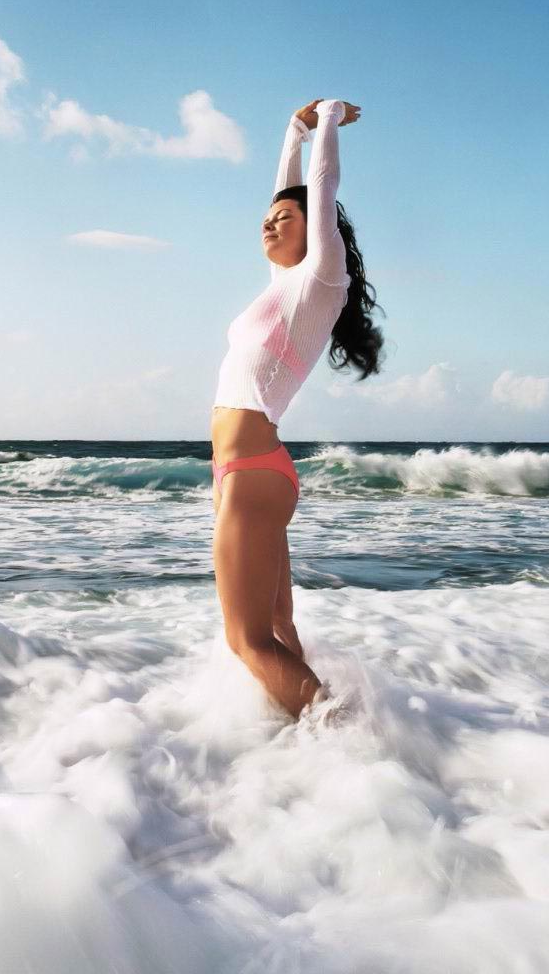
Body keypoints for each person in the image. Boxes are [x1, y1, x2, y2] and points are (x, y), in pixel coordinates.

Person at [210, 97, 384, 720]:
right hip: (243, 472)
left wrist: (329, 120)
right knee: (278, 627)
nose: (269, 222)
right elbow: (290, 186)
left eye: (284, 218)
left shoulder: (319, 280)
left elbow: (318, 185)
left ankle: (348, 742)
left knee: (246, 640)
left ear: (315, 232)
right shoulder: (279, 287)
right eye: (267, 216)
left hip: (255, 470)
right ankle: (318, 749)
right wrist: (292, 129)